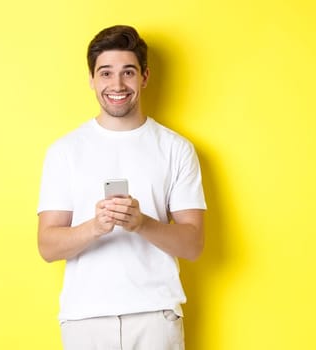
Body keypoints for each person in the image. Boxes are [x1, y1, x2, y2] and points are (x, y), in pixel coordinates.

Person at [36, 25, 206, 349]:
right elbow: (47, 245)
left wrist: (142, 223)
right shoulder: (64, 151)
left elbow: (194, 244)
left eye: (128, 72)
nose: (117, 85)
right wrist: (95, 227)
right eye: (106, 73)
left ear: (144, 77)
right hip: (85, 319)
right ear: (91, 79)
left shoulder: (176, 149)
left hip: (156, 316)